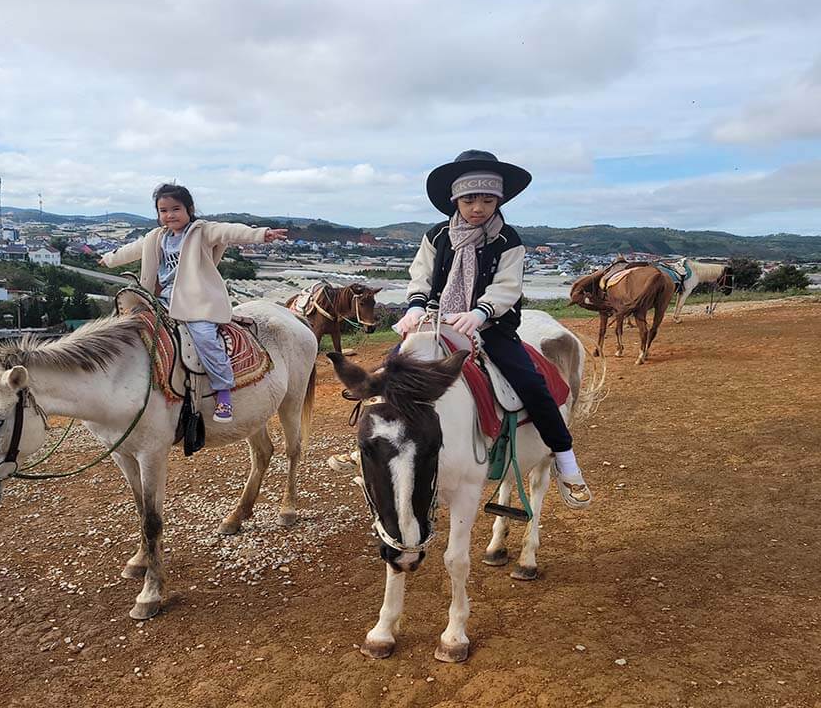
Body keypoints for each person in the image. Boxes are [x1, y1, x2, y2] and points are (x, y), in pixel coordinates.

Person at [332, 150, 591, 509]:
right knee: (386, 375)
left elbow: (507, 287)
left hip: (492, 328)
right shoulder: (437, 235)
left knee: (533, 384)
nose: (478, 208)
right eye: (470, 199)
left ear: (499, 200)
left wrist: (481, 313)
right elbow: (420, 274)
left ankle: (565, 460)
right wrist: (417, 305)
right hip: (435, 323)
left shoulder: (508, 241)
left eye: (488, 199)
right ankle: (368, 442)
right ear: (456, 199)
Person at [98, 183, 287, 422]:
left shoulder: (202, 231)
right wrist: (108, 259)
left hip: (197, 303)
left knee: (206, 339)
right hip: (160, 301)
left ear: (189, 209)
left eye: (175, 209)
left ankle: (223, 392)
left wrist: (261, 234)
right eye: (163, 210)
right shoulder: (157, 237)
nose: (169, 215)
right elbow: (131, 250)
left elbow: (228, 231)